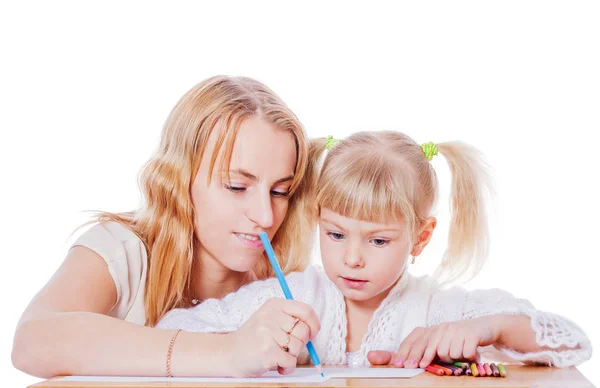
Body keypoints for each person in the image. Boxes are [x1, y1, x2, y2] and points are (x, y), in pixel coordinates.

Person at [157, 131, 592, 372]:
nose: (352, 259)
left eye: (378, 240)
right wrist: (244, 342)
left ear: (420, 238)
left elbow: (574, 342)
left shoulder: (436, 310)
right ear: (317, 220)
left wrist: (489, 329)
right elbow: (169, 330)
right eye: (336, 234)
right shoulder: (290, 297)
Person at [11, 76, 321, 378]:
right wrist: (226, 351)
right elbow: (31, 342)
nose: (266, 217)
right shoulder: (124, 251)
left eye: (280, 192)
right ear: (179, 180)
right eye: (237, 186)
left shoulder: (285, 281)